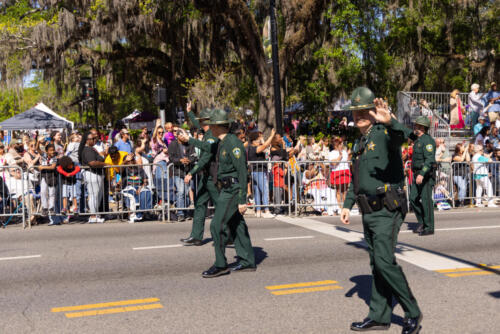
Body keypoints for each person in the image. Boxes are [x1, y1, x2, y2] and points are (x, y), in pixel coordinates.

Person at [340, 87, 422, 334]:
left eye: (364, 110)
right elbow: (358, 179)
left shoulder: (385, 132)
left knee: (385, 262)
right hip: (368, 210)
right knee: (377, 264)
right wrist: (347, 204)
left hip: (388, 207)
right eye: (355, 111)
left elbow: (408, 136)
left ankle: (412, 312)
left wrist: (392, 121)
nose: (359, 115)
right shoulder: (359, 142)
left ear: (374, 111)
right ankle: (379, 315)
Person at [181, 109, 256, 278]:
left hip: (233, 190)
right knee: (237, 225)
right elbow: (207, 147)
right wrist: (190, 139)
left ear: (217, 126)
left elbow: (242, 171)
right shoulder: (221, 142)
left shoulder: (233, 143)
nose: (208, 126)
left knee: (217, 225)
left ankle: (221, 264)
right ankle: (247, 260)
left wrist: (242, 199)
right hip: (226, 188)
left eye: (211, 124)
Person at [180, 107, 219, 245]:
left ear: (205, 122)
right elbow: (196, 125)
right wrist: (189, 112)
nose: (199, 123)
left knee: (222, 207)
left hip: (213, 177)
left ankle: (230, 234)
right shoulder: (207, 132)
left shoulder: (213, 135)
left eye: (201, 121)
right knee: (200, 204)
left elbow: (205, 158)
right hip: (206, 176)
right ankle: (196, 236)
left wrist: (191, 172)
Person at [409, 116, 436, 236]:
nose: (415, 127)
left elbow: (430, 159)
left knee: (426, 201)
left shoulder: (427, 140)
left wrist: (422, 174)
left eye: (418, 126)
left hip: (425, 175)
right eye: (415, 125)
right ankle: (422, 222)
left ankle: (429, 227)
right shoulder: (418, 139)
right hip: (417, 174)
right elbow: (405, 132)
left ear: (423, 128)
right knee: (413, 198)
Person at [78, 131, 107, 223]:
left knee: (98, 195)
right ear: (87, 140)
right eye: (93, 139)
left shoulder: (91, 148)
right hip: (92, 174)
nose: (95, 140)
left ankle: (95, 214)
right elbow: (92, 163)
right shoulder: (87, 150)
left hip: (96, 174)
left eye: (95, 138)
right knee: (94, 195)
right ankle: (93, 215)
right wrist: (105, 164)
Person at [168, 128, 196, 222]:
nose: (184, 137)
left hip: (188, 171)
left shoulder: (189, 144)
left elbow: (194, 155)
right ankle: (180, 213)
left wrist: (189, 160)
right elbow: (171, 157)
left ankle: (187, 212)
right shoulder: (173, 144)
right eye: (182, 135)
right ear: (178, 136)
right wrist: (180, 160)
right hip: (178, 172)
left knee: (187, 192)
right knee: (180, 192)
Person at [248, 129, 276, 218]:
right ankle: (266, 210)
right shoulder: (253, 148)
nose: (261, 140)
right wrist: (271, 136)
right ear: (254, 140)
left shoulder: (252, 148)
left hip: (256, 172)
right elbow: (265, 146)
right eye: (259, 138)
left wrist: (262, 139)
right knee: (264, 190)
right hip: (259, 171)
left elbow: (266, 147)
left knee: (257, 191)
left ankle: (259, 210)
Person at [452, 143, 471, 207]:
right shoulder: (455, 155)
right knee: (462, 188)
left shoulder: (464, 154)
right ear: (459, 148)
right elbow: (461, 160)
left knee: (464, 188)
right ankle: (460, 201)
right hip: (457, 175)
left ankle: (460, 201)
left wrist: (467, 151)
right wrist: (465, 151)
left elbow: (468, 160)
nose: (463, 148)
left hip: (464, 174)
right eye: (462, 147)